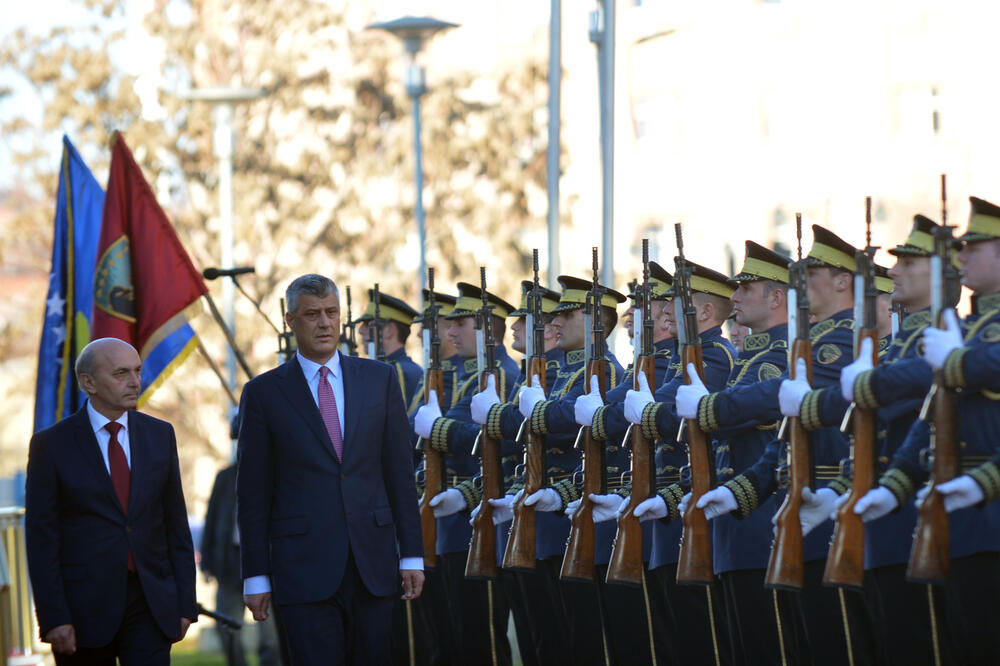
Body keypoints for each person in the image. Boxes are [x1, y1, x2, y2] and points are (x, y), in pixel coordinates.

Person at [237, 273, 423, 666]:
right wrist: (255, 575)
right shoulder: (263, 393)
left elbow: (400, 476)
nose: (324, 323)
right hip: (303, 570)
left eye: (331, 312)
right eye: (312, 314)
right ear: (290, 320)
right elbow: (253, 493)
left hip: (373, 564)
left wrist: (411, 556)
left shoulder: (379, 379)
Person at [25, 337, 197, 665]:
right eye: (121, 373)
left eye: (137, 371)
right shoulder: (52, 446)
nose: (135, 382)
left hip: (151, 602)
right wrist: (53, 617)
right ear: (88, 382)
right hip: (83, 610)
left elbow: (176, 524)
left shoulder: (160, 435)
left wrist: (185, 604)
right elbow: (42, 538)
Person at [201, 446, 281, 666]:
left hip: (267, 563)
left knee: (271, 635)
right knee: (227, 627)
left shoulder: (274, 473)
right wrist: (207, 562)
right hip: (229, 563)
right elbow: (212, 519)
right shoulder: (226, 477)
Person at [355, 290, 422, 407]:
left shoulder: (398, 372)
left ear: (389, 330)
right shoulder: (412, 369)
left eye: (368, 324)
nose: (360, 330)